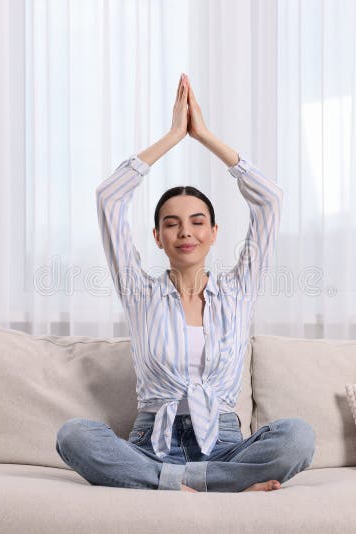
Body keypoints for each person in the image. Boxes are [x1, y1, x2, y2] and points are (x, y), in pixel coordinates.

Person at [55, 73, 316, 492]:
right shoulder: (141, 293)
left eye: (197, 223)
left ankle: (174, 485)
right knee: (73, 436)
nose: (185, 233)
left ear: (214, 232)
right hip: (150, 447)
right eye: (171, 224)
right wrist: (173, 136)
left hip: (226, 444)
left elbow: (270, 200)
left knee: (298, 437)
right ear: (157, 237)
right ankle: (214, 486)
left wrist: (205, 136)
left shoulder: (238, 291)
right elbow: (109, 197)